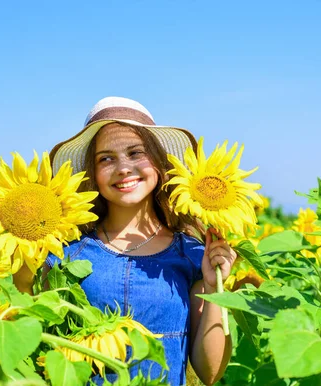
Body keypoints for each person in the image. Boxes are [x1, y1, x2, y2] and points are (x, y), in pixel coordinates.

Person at [43, 96, 235, 385]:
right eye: (106, 158)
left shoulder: (193, 255)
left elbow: (209, 371)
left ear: (158, 163)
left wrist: (214, 287)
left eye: (136, 153)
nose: (123, 168)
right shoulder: (66, 254)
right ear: (92, 173)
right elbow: (48, 349)